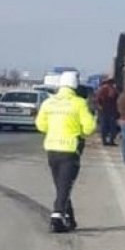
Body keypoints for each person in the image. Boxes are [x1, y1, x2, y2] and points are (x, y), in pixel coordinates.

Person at [35, 71, 96, 233]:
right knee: (65, 185)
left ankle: (70, 218)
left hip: (52, 149)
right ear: (75, 86)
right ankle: (57, 215)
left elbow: (40, 126)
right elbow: (90, 128)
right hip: (70, 150)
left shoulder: (48, 103)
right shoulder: (79, 103)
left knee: (61, 185)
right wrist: (79, 131)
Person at [94, 78, 120, 146]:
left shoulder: (101, 90)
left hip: (105, 111)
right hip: (109, 111)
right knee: (111, 127)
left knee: (105, 126)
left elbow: (97, 101)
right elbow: (116, 99)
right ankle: (110, 140)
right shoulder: (110, 89)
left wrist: (100, 107)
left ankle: (105, 141)